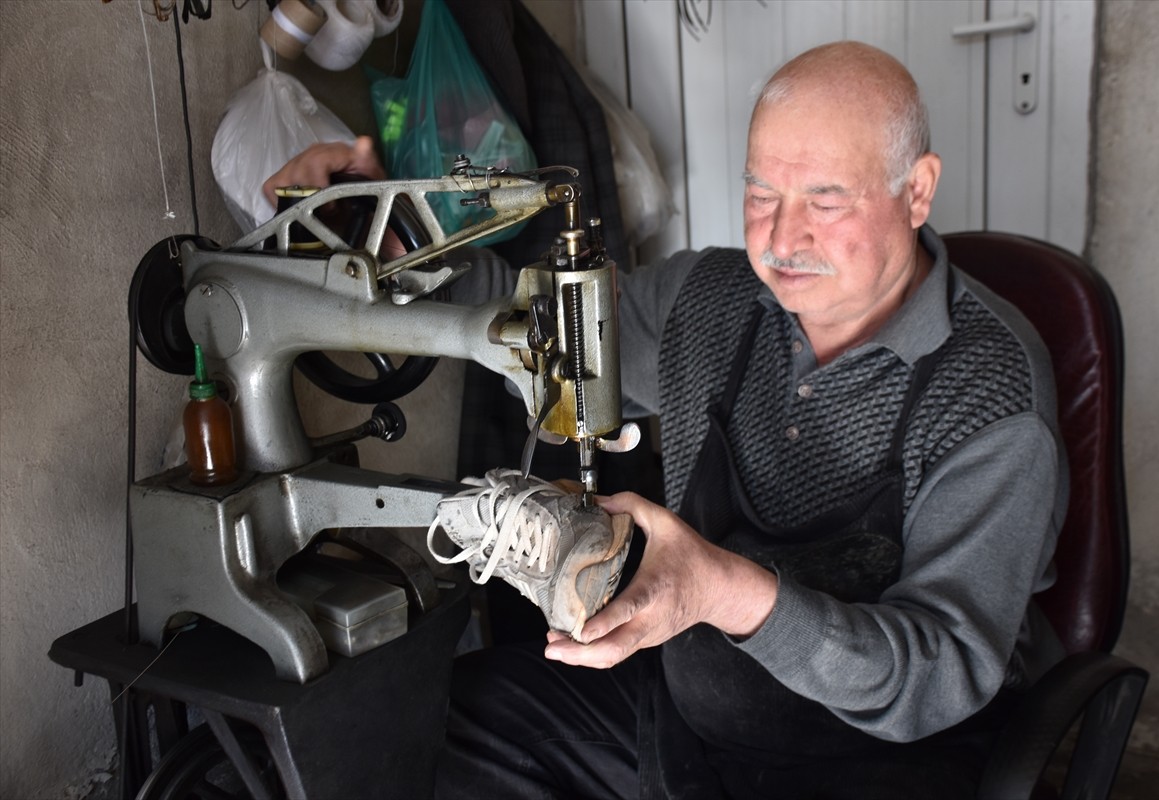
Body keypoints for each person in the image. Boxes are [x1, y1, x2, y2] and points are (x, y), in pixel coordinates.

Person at [266, 41, 1066, 799]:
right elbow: (537, 322)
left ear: (917, 190)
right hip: (686, 713)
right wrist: (379, 237)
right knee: (431, 723)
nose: (784, 239)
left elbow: (941, 675)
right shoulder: (711, 303)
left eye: (826, 198)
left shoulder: (989, 393)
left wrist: (721, 591)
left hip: (886, 759)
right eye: (761, 193)